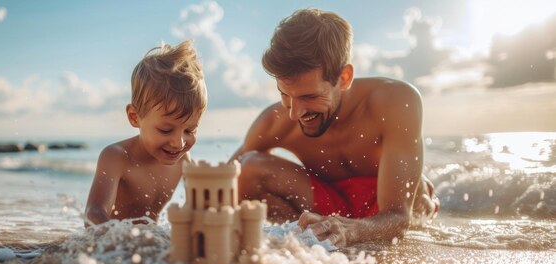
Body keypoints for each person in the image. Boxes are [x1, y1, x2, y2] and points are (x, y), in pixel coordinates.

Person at [230, 9, 439, 246]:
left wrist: (353, 231)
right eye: (285, 94)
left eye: (310, 96)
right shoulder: (273, 121)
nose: (294, 112)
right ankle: (310, 235)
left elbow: (399, 217)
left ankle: (334, 233)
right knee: (247, 168)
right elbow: (220, 187)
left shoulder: (395, 101)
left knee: (420, 197)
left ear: (344, 78)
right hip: (325, 203)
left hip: (386, 206)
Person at [85, 40, 207, 226]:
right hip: (113, 249)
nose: (179, 143)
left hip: (150, 246)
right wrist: (119, 241)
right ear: (135, 117)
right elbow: (93, 214)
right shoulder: (117, 157)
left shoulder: (183, 160)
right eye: (165, 130)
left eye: (190, 130)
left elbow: (199, 207)